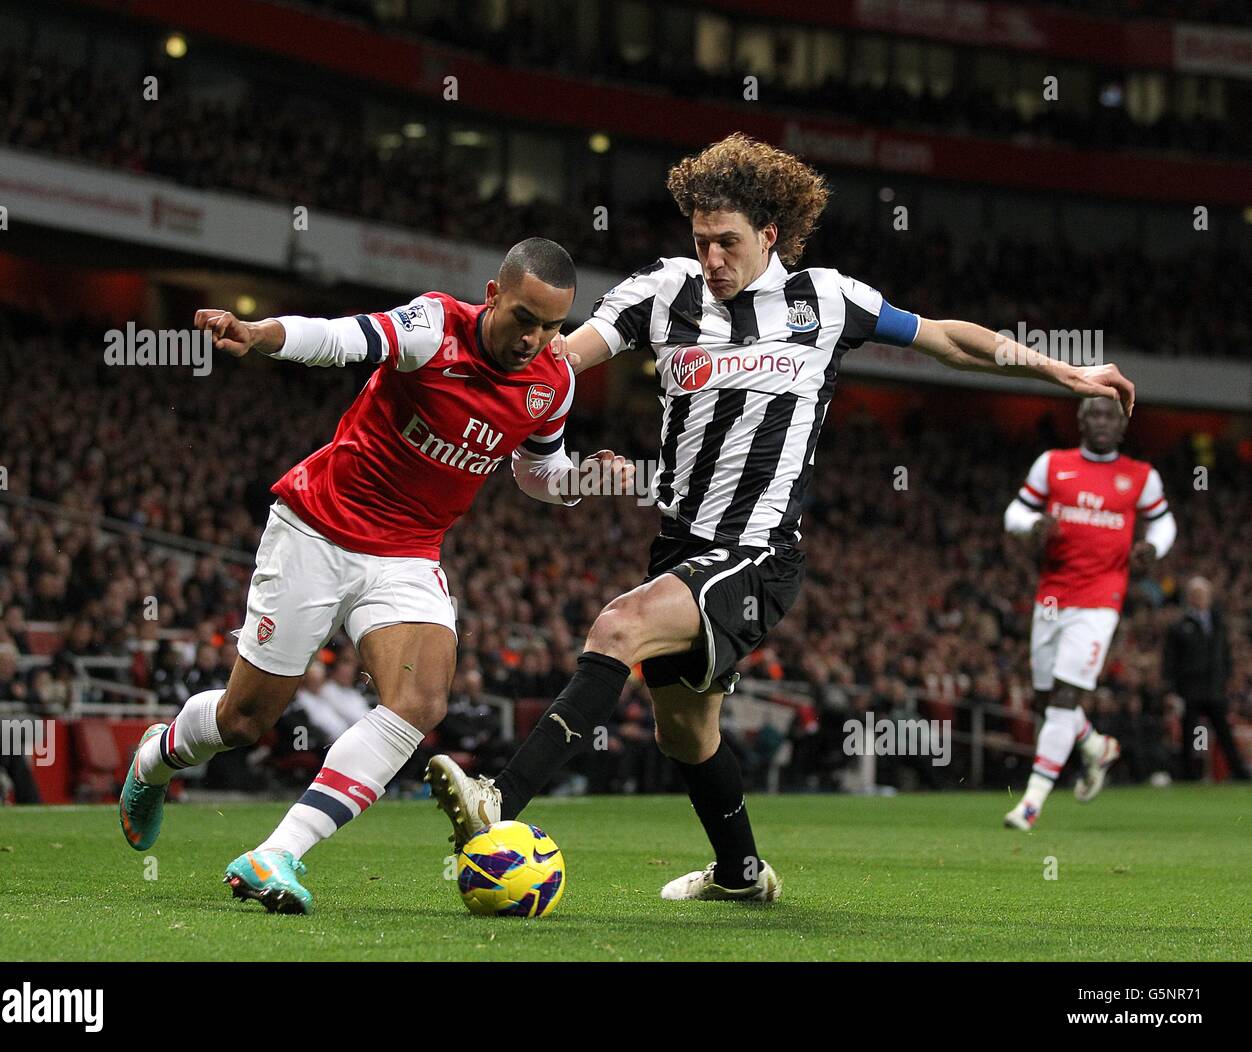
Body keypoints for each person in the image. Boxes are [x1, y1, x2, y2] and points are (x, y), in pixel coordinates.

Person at [426, 133, 1136, 902]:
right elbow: (559, 359)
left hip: (761, 552)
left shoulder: (827, 300)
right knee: (685, 734)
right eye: (701, 242)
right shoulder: (665, 290)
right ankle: (741, 875)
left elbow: (946, 340)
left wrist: (1060, 370)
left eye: (728, 243)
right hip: (681, 545)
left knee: (616, 629)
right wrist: (477, 377)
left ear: (768, 236)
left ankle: (499, 800)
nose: (713, 260)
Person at [118, 238, 635, 914]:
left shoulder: (554, 381)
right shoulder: (434, 328)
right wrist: (258, 333)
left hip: (409, 554)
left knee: (420, 702)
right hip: (316, 529)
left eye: (551, 325)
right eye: (523, 317)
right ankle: (156, 758)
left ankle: (278, 853)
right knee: (245, 720)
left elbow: (536, 473)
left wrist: (579, 482)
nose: (534, 338)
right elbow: (338, 339)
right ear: (491, 296)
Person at [1002, 397, 1176, 829]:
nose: (1101, 422)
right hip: (1052, 596)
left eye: (1109, 416)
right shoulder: (1053, 464)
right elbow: (1015, 512)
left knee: (1064, 698)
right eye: (1093, 415)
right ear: (1080, 423)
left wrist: (1154, 547)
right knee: (1045, 701)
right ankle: (1096, 745)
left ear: (1122, 426)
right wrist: (1032, 524)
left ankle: (1031, 802)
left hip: (1101, 599)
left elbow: (1164, 521)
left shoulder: (1140, 476)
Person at [1165, 576, 1249, 782]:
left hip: (1215, 689)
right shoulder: (1180, 626)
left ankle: (1237, 772)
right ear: (1190, 598)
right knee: (1193, 735)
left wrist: (1227, 677)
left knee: (1224, 733)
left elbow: (1225, 654)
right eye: (1196, 595)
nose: (1201, 599)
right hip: (1191, 689)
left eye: (1203, 594)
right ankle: (1191, 774)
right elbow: (1170, 660)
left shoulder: (1218, 623)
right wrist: (1172, 689)